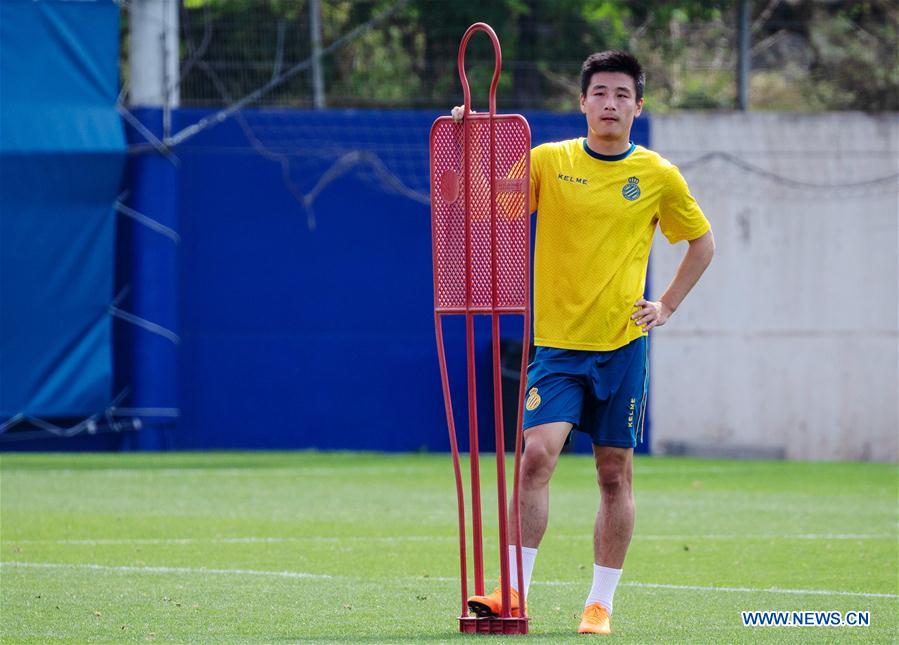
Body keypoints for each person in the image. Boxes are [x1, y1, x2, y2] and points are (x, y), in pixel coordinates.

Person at [452, 50, 715, 635]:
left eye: (623, 95)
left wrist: (666, 304)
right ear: (582, 102)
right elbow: (489, 207)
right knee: (536, 457)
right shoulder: (548, 161)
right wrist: (471, 140)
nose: (610, 104)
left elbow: (701, 243)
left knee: (613, 473)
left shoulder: (657, 175)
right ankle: (513, 592)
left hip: (622, 348)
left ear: (638, 106)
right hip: (557, 347)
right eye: (600, 93)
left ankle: (600, 603)